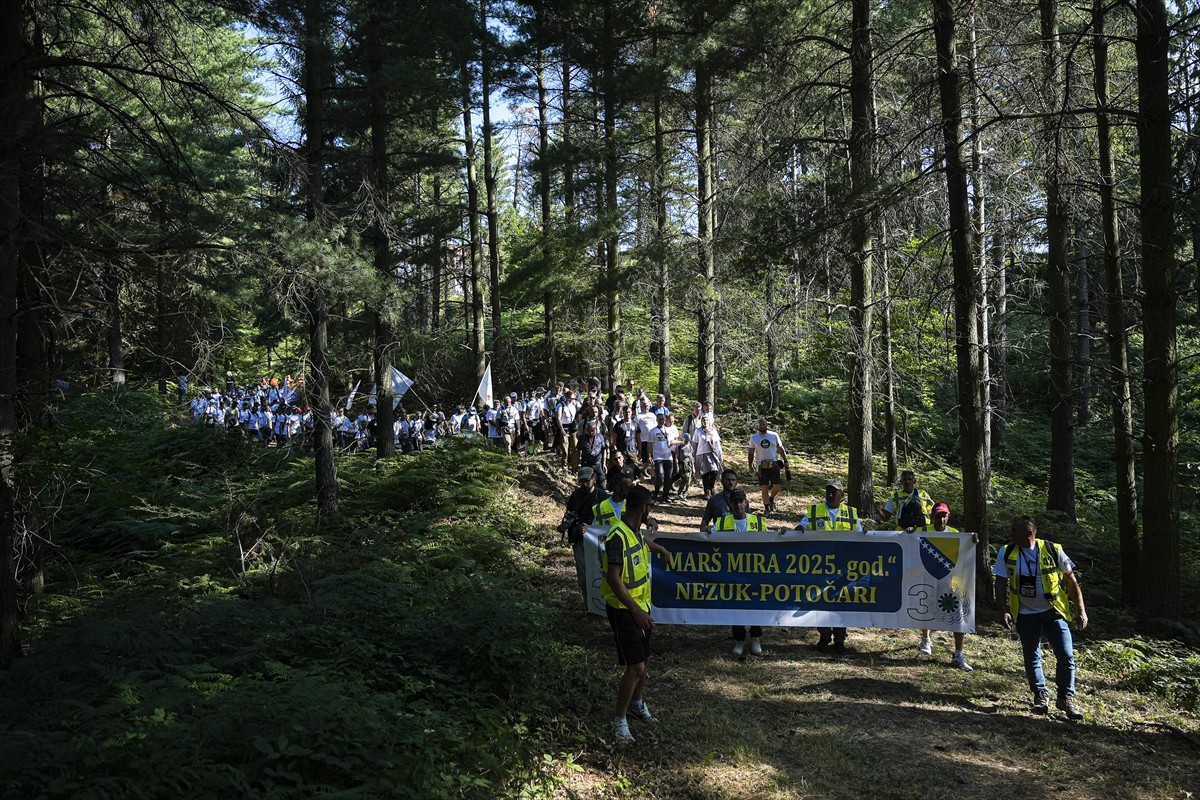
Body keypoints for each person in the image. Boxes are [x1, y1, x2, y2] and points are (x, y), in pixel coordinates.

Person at [994, 515, 1088, 719]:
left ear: (1029, 534)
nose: (1010, 535)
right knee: (1032, 656)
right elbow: (1000, 582)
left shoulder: (1053, 550)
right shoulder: (1007, 551)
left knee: (1066, 655)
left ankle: (1066, 697)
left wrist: (1081, 610)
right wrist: (1003, 610)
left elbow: (1071, 582)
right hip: (1025, 614)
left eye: (1014, 532)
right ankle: (1040, 695)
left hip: (1054, 612)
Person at [602, 485, 671, 744]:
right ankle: (619, 719)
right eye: (649, 507)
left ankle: (637, 703)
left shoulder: (632, 530)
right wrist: (635, 610)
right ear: (643, 508)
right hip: (625, 610)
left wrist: (660, 549)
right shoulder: (617, 535)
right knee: (636, 665)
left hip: (641, 605)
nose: (650, 511)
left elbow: (642, 543)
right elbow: (614, 578)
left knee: (646, 659)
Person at [797, 480, 861, 654]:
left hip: (843, 566)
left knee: (841, 601)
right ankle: (824, 636)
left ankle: (840, 639)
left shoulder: (851, 513)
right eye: (828, 491)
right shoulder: (814, 511)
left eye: (835, 491)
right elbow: (802, 525)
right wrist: (798, 529)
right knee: (822, 600)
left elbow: (861, 536)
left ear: (842, 495)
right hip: (821, 565)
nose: (831, 494)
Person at [913, 502, 975, 670]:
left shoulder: (956, 534)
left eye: (944, 515)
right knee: (926, 607)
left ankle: (959, 653)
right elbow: (907, 540)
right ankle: (926, 639)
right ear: (932, 517)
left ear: (948, 516)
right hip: (928, 577)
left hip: (952, 581)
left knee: (958, 613)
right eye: (938, 515)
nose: (941, 519)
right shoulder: (923, 531)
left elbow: (966, 549)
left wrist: (972, 541)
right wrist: (909, 532)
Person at [715, 489, 771, 656]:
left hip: (754, 572)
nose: (739, 504)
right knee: (736, 605)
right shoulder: (722, 523)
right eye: (735, 501)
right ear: (730, 504)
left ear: (746, 502)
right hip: (732, 572)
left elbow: (771, 542)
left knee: (755, 603)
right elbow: (711, 542)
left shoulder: (759, 522)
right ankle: (739, 639)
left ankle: (755, 637)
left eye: (741, 501)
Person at [563, 466, 606, 605]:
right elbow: (569, 515)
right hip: (580, 540)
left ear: (594, 478)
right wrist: (576, 526)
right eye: (582, 482)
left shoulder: (602, 496)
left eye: (587, 480)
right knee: (583, 577)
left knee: (601, 575)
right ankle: (589, 605)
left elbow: (610, 519)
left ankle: (602, 605)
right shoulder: (575, 496)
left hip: (599, 541)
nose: (585, 484)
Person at [747, 418, 788, 513]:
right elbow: (751, 452)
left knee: (777, 486)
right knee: (764, 486)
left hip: (774, 464)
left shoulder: (774, 435)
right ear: (757, 426)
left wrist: (785, 460)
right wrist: (750, 465)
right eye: (760, 425)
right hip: (761, 466)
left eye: (763, 425)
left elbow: (780, 448)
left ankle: (771, 498)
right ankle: (766, 508)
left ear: (766, 425)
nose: (762, 426)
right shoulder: (754, 438)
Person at [700, 468, 741, 533]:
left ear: (736, 482)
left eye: (733, 480)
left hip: (739, 537)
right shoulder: (714, 500)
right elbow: (704, 523)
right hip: (720, 538)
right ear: (722, 481)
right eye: (728, 480)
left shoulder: (742, 500)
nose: (731, 482)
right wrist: (705, 530)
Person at [692, 415, 723, 498]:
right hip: (702, 453)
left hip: (712, 453)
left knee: (714, 471)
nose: (705, 422)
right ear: (701, 422)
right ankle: (706, 490)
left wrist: (720, 454)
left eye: (707, 421)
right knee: (705, 472)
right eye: (704, 421)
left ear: (710, 422)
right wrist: (693, 455)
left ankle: (712, 486)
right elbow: (695, 444)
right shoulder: (698, 431)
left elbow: (717, 443)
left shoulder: (713, 431)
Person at [649, 413, 676, 503]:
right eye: (660, 419)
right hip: (658, 456)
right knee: (660, 476)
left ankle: (665, 496)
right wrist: (650, 455)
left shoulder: (668, 431)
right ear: (657, 420)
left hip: (668, 456)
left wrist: (683, 442)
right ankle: (656, 492)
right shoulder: (652, 431)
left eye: (663, 419)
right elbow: (649, 444)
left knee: (669, 477)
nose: (661, 421)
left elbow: (672, 441)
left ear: (665, 420)